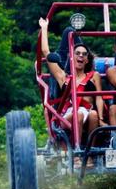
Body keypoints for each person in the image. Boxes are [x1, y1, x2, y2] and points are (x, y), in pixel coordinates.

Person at [39, 18, 106, 146]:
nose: (81, 56)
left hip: (87, 112)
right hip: (68, 115)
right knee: (79, 113)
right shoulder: (63, 77)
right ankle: (77, 152)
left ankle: (90, 153)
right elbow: (46, 52)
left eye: (84, 54)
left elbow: (99, 97)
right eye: (77, 53)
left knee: (93, 114)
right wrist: (44, 27)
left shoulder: (94, 76)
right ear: (71, 57)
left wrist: (101, 118)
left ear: (87, 59)